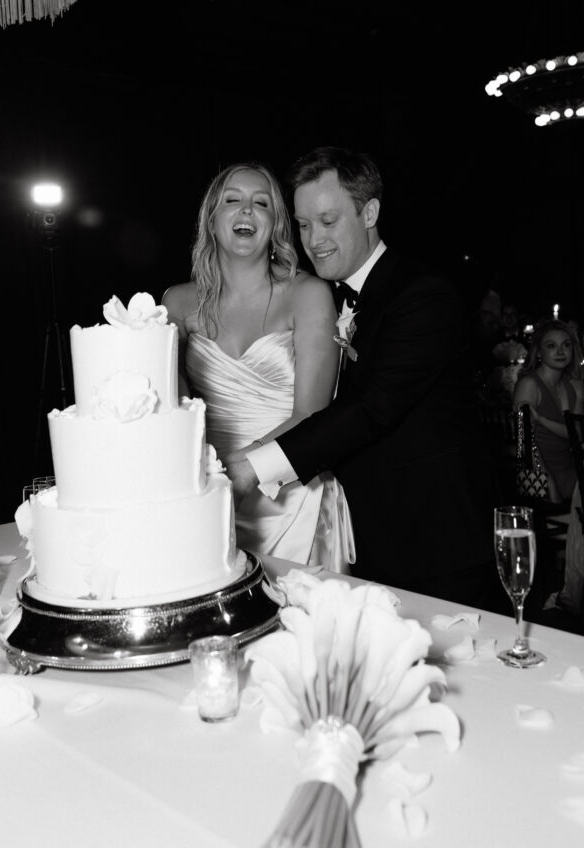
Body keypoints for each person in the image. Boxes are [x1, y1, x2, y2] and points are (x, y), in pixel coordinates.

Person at [225, 146, 502, 608]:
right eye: (305, 224)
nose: (314, 240)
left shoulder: (421, 294)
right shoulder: (337, 299)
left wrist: (254, 467)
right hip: (374, 537)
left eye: (328, 221)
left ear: (369, 211)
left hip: (438, 541)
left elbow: (372, 408)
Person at [162, 162, 355, 571]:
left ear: (276, 224)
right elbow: (171, 416)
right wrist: (206, 483)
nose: (247, 210)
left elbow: (312, 414)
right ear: (212, 222)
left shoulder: (308, 293)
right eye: (233, 200)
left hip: (292, 499)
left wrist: (242, 469)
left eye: (261, 203)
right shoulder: (176, 304)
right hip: (208, 497)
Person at [512, 318, 584, 506]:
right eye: (551, 346)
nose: (560, 352)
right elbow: (525, 445)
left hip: (569, 470)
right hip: (535, 472)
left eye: (566, 345)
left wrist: (542, 420)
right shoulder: (529, 385)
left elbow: (577, 436)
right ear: (539, 352)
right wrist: (549, 485)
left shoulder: (575, 387)